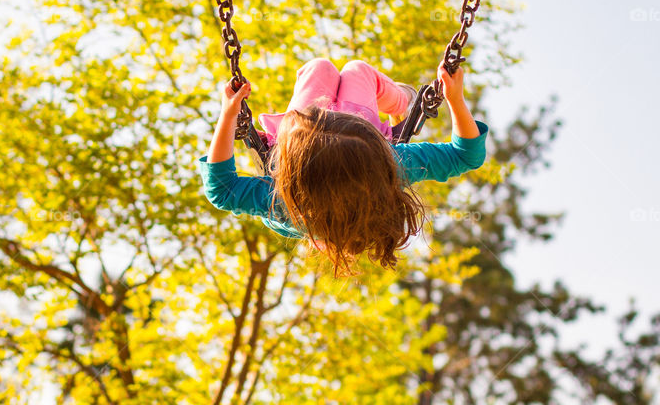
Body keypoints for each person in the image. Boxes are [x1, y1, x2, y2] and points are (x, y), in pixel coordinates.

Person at [199, 58, 489, 274]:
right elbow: (466, 155)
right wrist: (454, 97)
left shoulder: (282, 201)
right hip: (326, 143)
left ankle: (335, 120)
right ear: (379, 145)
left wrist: (228, 116)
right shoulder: (390, 166)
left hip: (300, 145)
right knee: (357, 71)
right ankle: (402, 101)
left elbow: (222, 189)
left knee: (319, 68)